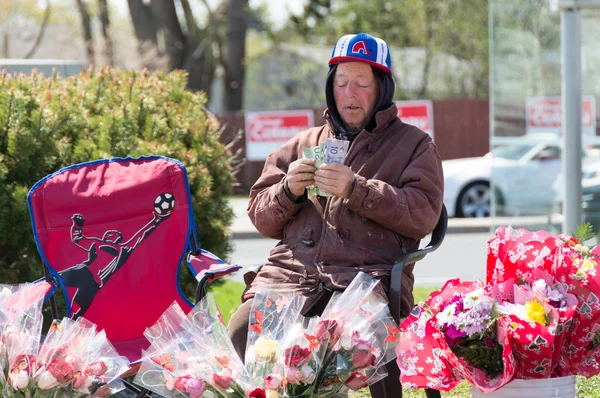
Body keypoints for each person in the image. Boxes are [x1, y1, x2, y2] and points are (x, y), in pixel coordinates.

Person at [227, 33, 444, 397]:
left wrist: (357, 190)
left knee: (366, 343)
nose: (349, 93)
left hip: (366, 282)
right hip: (292, 278)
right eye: (341, 82)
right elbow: (261, 217)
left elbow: (423, 214)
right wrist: (287, 191)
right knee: (239, 332)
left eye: (361, 83)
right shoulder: (303, 144)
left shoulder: (415, 145)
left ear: (383, 89)